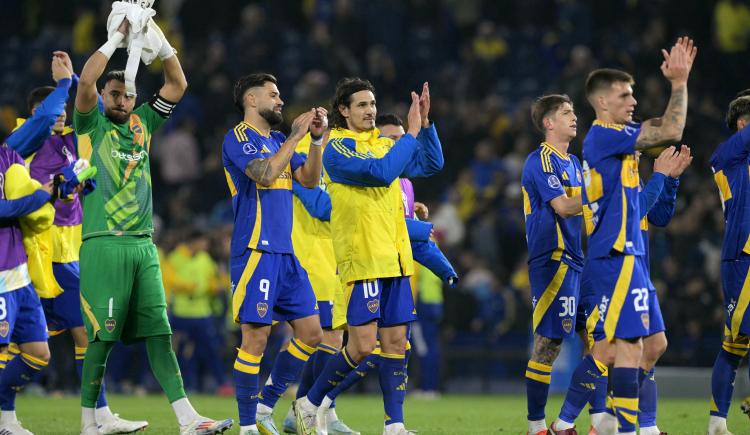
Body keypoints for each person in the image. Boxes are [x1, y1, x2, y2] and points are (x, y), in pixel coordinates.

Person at [74, 20, 232, 434]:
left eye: (128, 94)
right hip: (103, 243)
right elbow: (87, 80)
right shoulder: (91, 125)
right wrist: (115, 39)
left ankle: (188, 419)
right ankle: (89, 423)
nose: (123, 100)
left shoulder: (144, 121)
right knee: (102, 340)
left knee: (160, 334)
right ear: (104, 98)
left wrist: (158, 39)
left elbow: (177, 84)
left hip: (145, 246)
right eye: (116, 94)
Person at [548, 37, 696, 435]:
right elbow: (671, 128)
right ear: (601, 102)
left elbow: (652, 200)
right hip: (614, 256)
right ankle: (625, 429)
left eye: (632, 93)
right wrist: (679, 83)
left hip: (632, 255)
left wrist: (668, 179)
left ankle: (614, 420)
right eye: (624, 94)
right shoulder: (602, 137)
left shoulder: (620, 138)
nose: (633, 100)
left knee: (654, 344)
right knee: (622, 349)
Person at [4, 50, 146, 434]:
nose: (62, 116)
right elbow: (46, 190)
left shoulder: (68, 139)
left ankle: (15, 417)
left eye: (64, 112)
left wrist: (81, 180)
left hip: (71, 249)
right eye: (55, 112)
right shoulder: (25, 149)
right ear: (35, 116)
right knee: (87, 331)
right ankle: (96, 417)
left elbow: (100, 112)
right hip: (46, 251)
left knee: (30, 344)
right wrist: (69, 178)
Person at [294, 79, 443, 435]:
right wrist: (409, 132)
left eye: (373, 104)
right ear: (343, 110)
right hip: (363, 257)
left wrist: (425, 123)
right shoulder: (337, 148)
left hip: (396, 258)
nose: (370, 110)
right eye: (361, 105)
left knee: (395, 344)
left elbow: (431, 164)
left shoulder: (380, 142)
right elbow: (380, 173)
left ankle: (395, 425)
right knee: (360, 347)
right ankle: (310, 404)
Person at [222, 72, 328, 435]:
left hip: (286, 253)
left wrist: (315, 141)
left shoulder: (281, 139)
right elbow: (265, 175)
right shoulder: (238, 138)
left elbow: (310, 180)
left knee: (312, 333)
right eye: (273, 94)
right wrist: (297, 136)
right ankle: (248, 426)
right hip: (256, 250)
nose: (281, 101)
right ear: (252, 100)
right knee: (255, 338)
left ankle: (266, 404)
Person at [520, 94, 583, 435]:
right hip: (552, 259)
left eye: (573, 111)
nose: (574, 116)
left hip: (579, 259)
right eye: (566, 112)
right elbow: (562, 206)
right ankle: (537, 425)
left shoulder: (574, 162)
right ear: (548, 123)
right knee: (548, 345)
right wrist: (603, 193)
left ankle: (584, 421)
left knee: (600, 338)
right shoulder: (541, 160)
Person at [707, 89, 750, 435]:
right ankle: (719, 420)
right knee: (733, 344)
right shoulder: (728, 156)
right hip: (742, 256)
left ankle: (717, 422)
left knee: (734, 345)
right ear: (742, 123)